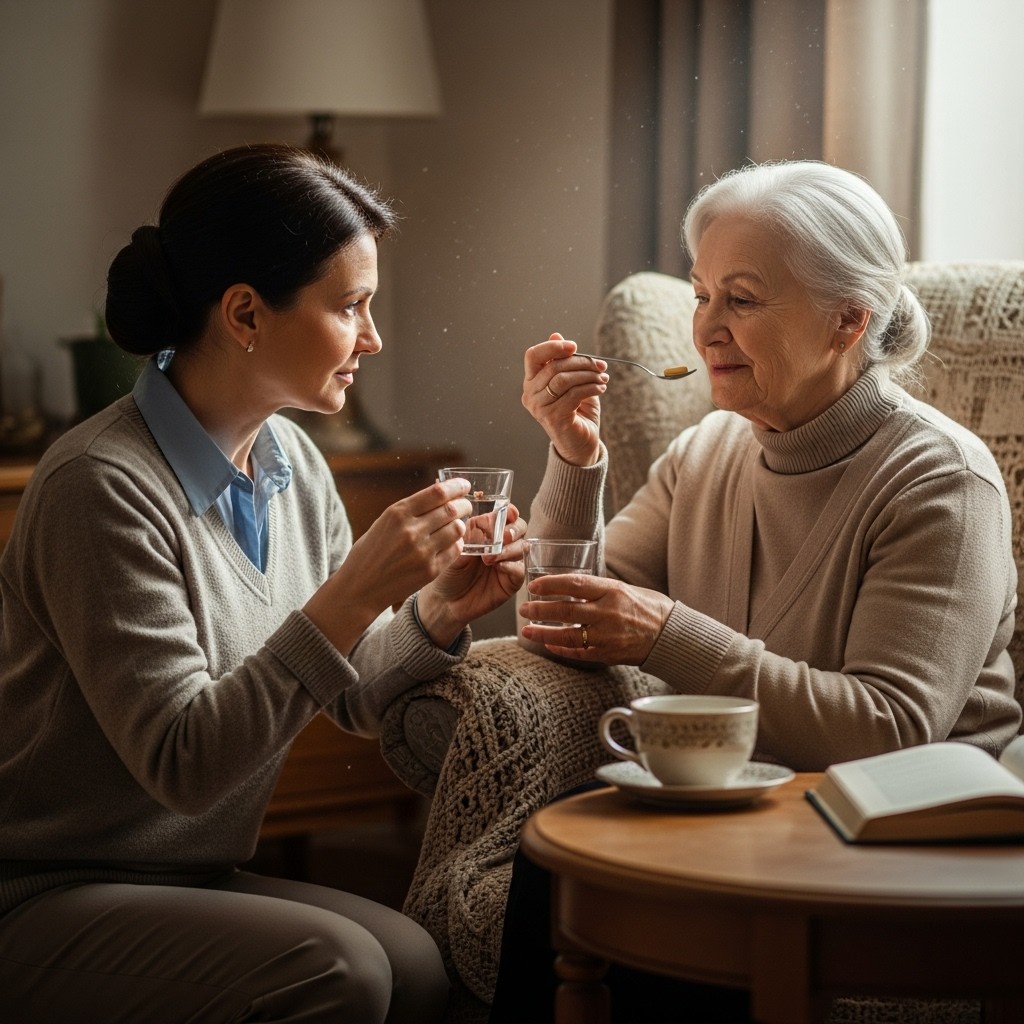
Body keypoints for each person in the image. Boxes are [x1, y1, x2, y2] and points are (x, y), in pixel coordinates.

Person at [0, 144, 527, 1024]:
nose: (373, 338)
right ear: (245, 312)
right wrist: (355, 590)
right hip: (46, 888)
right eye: (351, 306)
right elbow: (184, 765)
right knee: (341, 973)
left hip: (189, 874)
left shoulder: (291, 459)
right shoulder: (98, 486)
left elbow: (349, 693)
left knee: (416, 962)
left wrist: (439, 610)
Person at [491, 159, 1020, 1023]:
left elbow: (888, 730)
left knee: (663, 931)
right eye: (702, 295)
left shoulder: (940, 482)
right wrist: (574, 460)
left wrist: (665, 632)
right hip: (739, 809)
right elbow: (555, 618)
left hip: (899, 835)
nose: (706, 327)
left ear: (848, 318)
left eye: (741, 299)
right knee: (559, 857)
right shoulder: (706, 453)